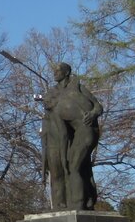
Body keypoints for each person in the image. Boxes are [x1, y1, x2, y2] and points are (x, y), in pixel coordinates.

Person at [42, 62, 103, 210]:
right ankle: (66, 203)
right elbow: (60, 131)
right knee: (69, 168)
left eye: (58, 70)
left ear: (67, 72)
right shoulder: (52, 93)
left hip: (82, 132)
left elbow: (98, 106)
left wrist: (93, 113)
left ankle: (78, 203)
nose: (55, 73)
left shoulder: (78, 88)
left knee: (75, 167)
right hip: (57, 135)